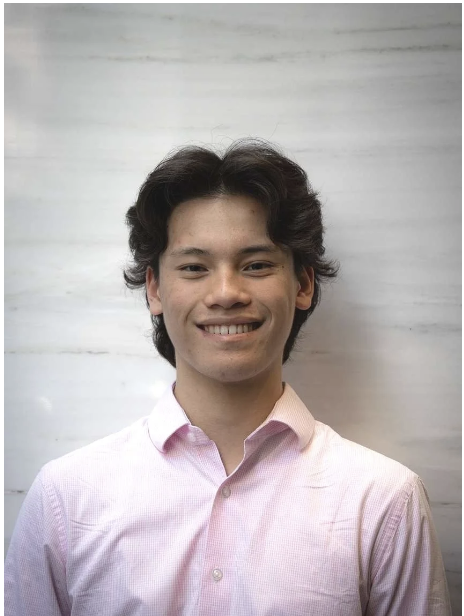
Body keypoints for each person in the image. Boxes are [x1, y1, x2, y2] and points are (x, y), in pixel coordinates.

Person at [5, 139, 451, 615]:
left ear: (302, 284)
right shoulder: (66, 499)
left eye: (256, 265)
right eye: (194, 267)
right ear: (155, 289)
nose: (225, 293)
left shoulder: (382, 501)